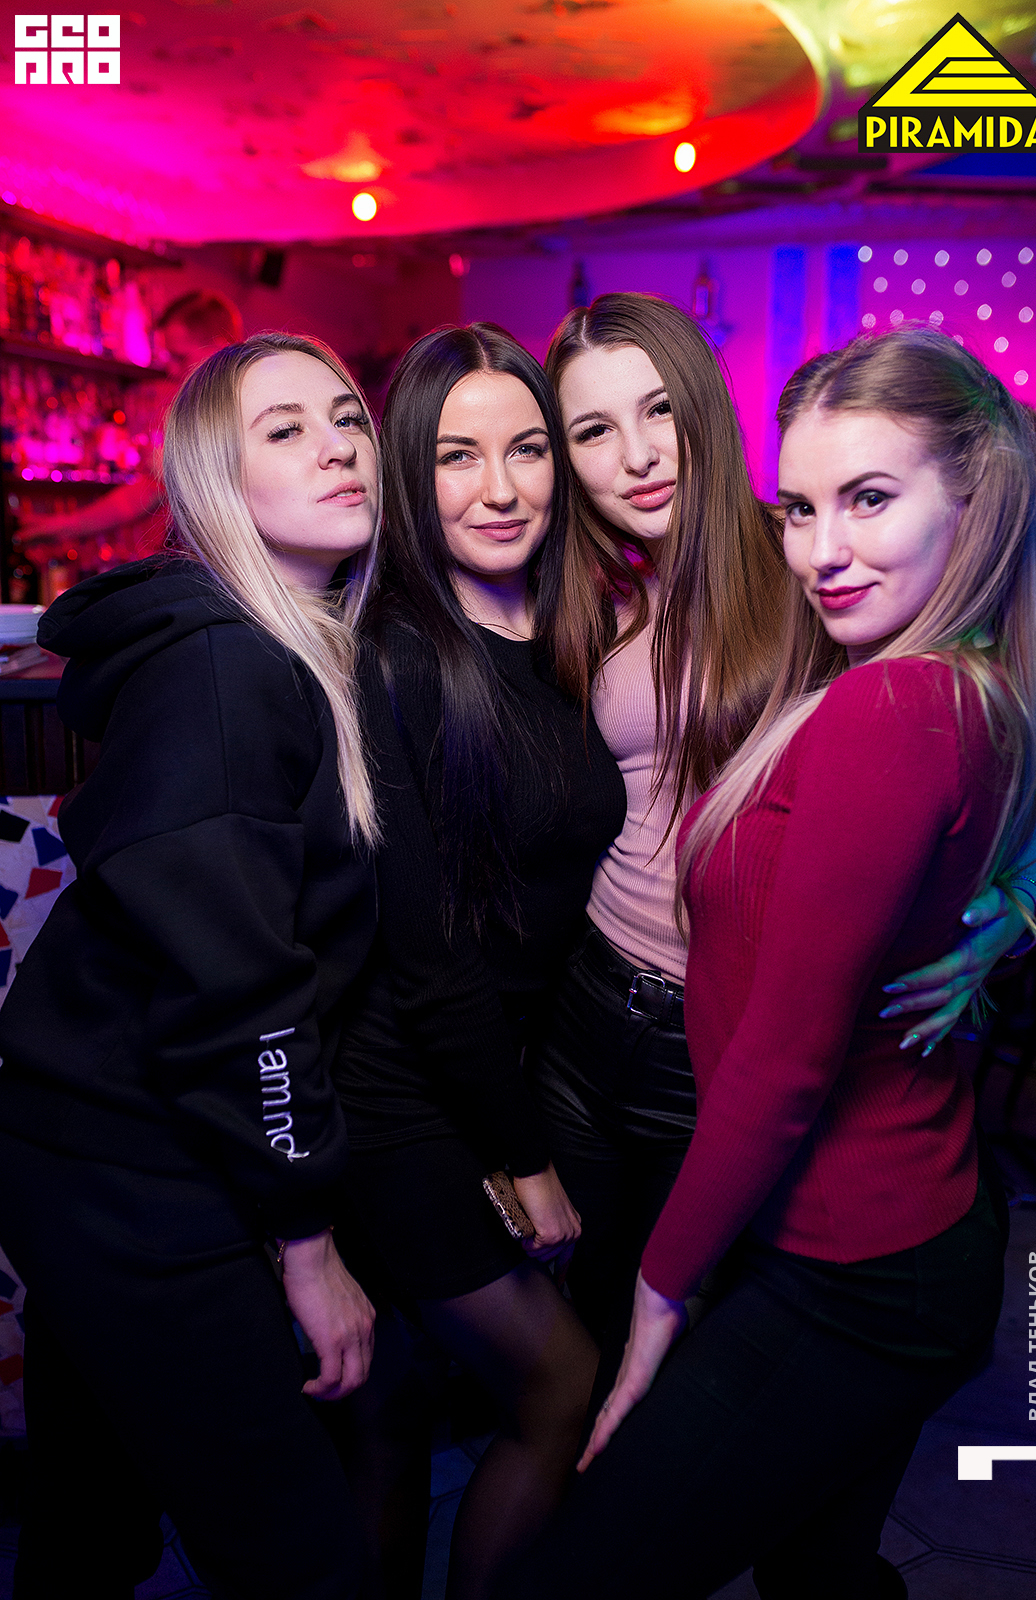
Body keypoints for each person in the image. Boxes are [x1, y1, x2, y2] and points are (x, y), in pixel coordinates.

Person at [504, 325, 1036, 1600]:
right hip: (859, 1203)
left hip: (846, 1234)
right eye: (802, 508)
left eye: (868, 499)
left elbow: (790, 1057)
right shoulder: (904, 661)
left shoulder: (881, 679)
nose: (823, 548)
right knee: (818, 1570)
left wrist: (1014, 904)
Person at [0, 332, 382, 1600]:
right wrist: (309, 1243)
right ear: (218, 477)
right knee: (302, 1555)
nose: (336, 446)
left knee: (89, 1521)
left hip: (88, 1140)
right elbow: (241, 992)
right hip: (129, 1167)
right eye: (285, 430)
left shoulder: (289, 645)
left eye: (346, 418)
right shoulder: (227, 664)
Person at [332, 323, 626, 1600]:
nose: (500, 488)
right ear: (410, 471)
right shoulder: (395, 654)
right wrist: (525, 1158)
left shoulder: (579, 629)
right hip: (399, 1095)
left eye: (528, 448)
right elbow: (430, 955)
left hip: (499, 1068)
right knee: (560, 1383)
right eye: (458, 456)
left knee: (391, 1414)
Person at [17, 290, 244, 566]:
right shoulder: (200, 412)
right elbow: (148, 491)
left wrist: (175, 472)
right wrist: (66, 526)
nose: (173, 371)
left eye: (180, 357)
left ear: (220, 349)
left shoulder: (251, 408)